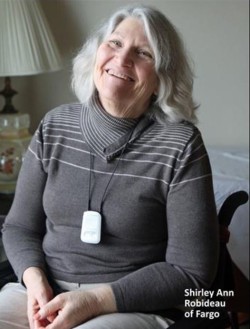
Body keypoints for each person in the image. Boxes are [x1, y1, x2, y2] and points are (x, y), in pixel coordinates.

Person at [0, 4, 219, 329]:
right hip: (40, 293)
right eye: (115, 43)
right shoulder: (55, 125)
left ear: (161, 78)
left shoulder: (182, 145)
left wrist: (94, 300)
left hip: (131, 305)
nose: (123, 59)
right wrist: (34, 282)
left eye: (143, 53)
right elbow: (20, 228)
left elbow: (192, 273)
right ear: (97, 55)